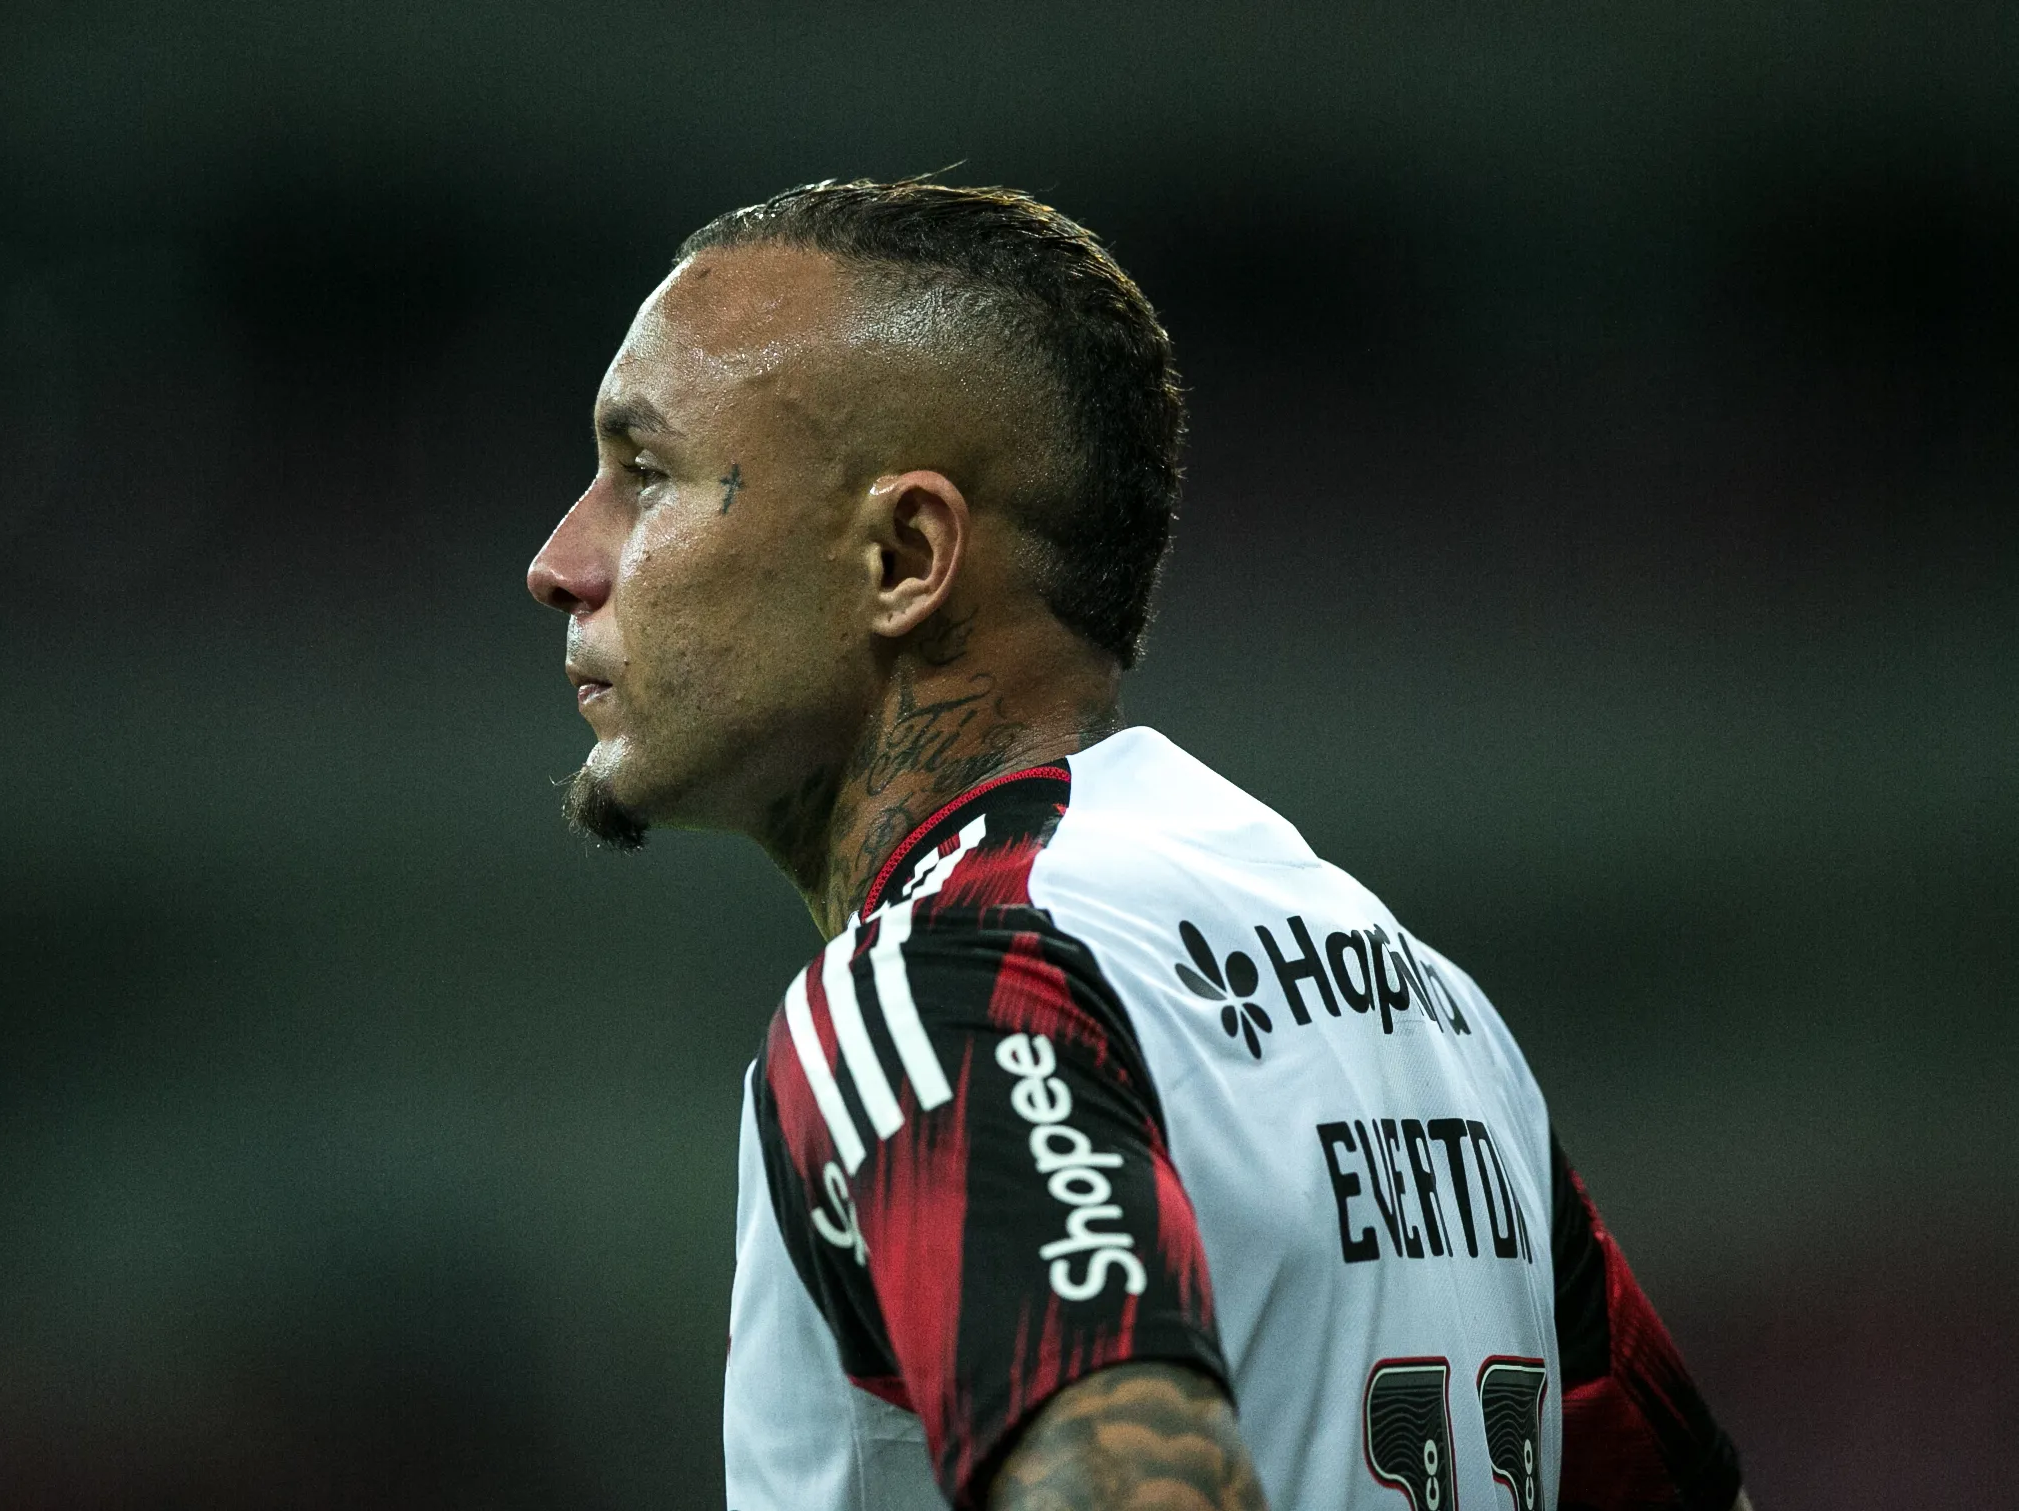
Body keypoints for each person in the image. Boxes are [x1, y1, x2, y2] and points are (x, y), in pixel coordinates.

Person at [526, 179, 1751, 1511]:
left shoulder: (940, 981)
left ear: (904, 556)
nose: (559, 558)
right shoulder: (1425, 1009)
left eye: (641, 472)